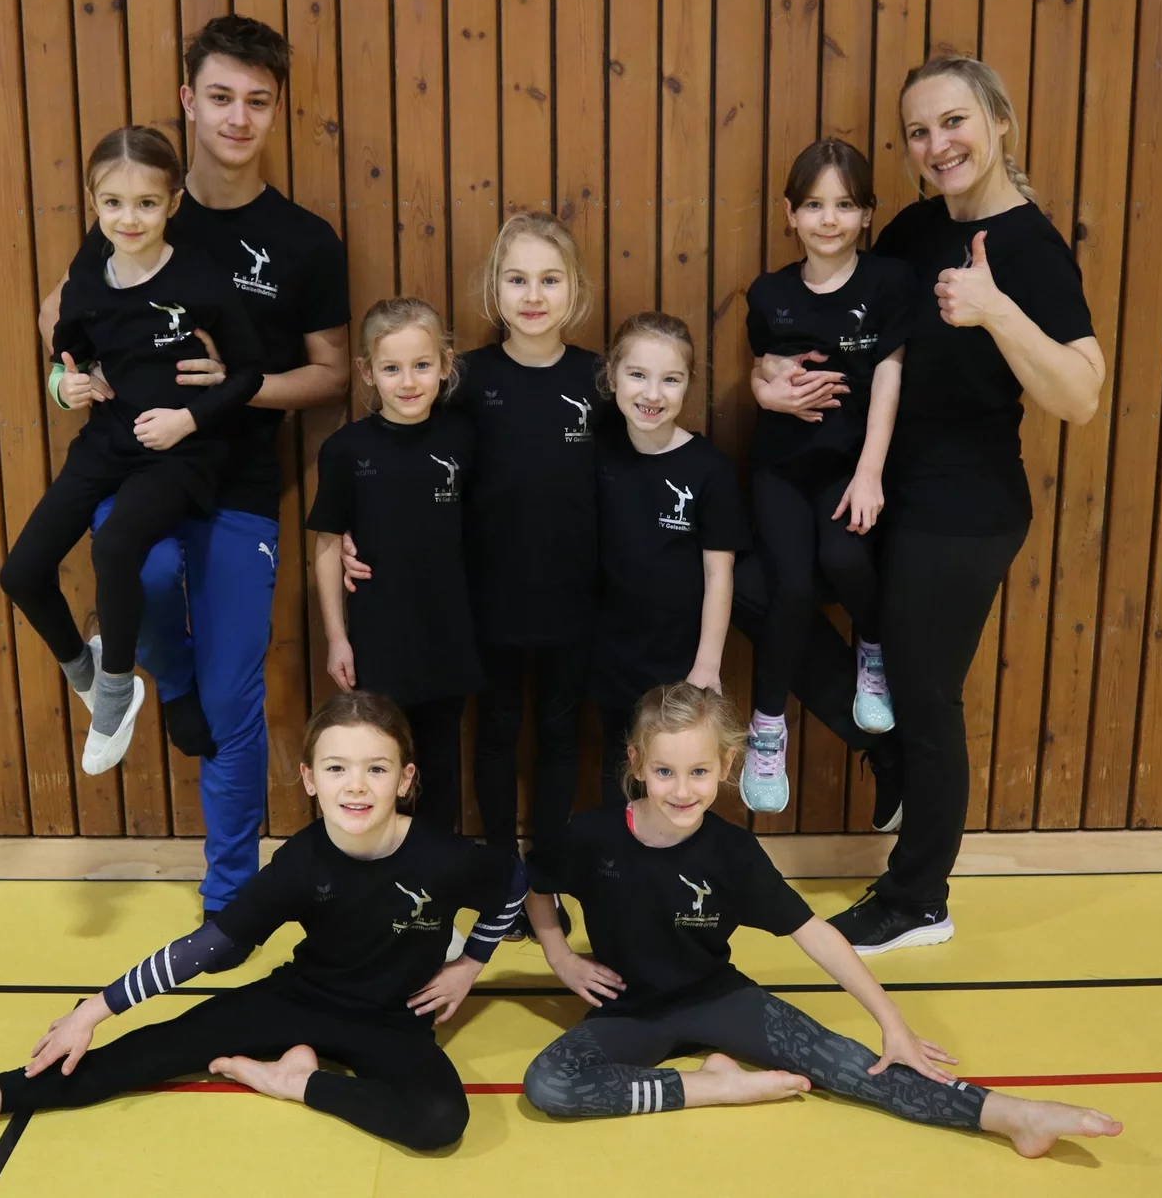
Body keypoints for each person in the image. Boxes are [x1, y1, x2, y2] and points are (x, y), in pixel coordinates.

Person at [755, 52, 1103, 955]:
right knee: (760, 590)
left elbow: (1082, 395)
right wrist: (769, 380)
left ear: (999, 122)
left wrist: (996, 310)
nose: (937, 143)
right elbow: (841, 326)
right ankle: (886, 749)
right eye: (919, 131)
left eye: (954, 122)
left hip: (961, 505)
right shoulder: (911, 231)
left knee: (924, 694)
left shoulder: (1028, 247)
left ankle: (917, 899)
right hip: (872, 482)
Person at [0, 691, 527, 1152]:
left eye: (376, 769)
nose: (356, 785)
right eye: (337, 768)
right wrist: (95, 1009)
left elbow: (512, 886)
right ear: (309, 780)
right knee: (160, 1047)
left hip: (394, 1018)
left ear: (405, 780)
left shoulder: (444, 859)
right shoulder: (299, 865)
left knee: (440, 1121)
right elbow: (210, 947)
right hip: (302, 999)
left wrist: (470, 965)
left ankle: (297, 1081)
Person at [520, 682, 1123, 1158]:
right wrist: (560, 956)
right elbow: (536, 885)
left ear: (727, 765)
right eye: (664, 772)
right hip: (630, 1009)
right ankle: (712, 1088)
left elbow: (815, 934)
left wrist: (891, 1021)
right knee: (550, 1083)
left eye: (699, 772)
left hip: (717, 998)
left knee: (846, 1061)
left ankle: (1010, 1114)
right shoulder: (593, 836)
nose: (682, 791)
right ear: (635, 764)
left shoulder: (733, 853)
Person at [39, 15, 351, 918]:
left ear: (277, 110)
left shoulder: (303, 239)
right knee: (137, 571)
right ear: (189, 101)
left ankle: (231, 903)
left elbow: (333, 374)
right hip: (136, 469)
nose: (237, 117)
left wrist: (235, 388)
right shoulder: (135, 206)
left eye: (257, 100)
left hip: (242, 485)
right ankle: (165, 684)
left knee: (234, 698)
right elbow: (56, 316)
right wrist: (77, 376)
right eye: (220, 97)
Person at [0, 127, 263, 775]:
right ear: (94, 202)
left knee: (116, 545)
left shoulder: (199, 279)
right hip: (106, 445)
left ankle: (117, 692)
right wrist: (68, 387)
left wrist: (187, 420)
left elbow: (248, 373)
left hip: (179, 454)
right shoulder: (87, 280)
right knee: (20, 573)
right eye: (113, 203)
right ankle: (89, 677)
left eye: (146, 203)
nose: (129, 218)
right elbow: (64, 360)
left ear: (173, 202)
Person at [341, 212, 599, 871]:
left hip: (578, 595)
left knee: (561, 733)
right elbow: (403, 455)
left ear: (575, 287)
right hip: (487, 599)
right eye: (517, 279)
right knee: (497, 732)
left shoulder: (598, 381)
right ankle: (503, 872)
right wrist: (348, 532)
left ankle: (546, 874)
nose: (533, 296)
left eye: (550, 279)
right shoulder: (467, 381)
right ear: (494, 287)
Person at [739, 138, 913, 816]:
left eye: (844, 205)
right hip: (781, 466)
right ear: (790, 213)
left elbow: (891, 375)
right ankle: (766, 728)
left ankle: (873, 649)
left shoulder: (888, 282)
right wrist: (765, 387)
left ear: (867, 213)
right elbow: (764, 365)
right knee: (789, 588)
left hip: (848, 464)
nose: (829, 219)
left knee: (844, 557)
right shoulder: (770, 293)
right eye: (814, 205)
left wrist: (870, 473)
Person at [308, 299, 482, 834]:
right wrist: (337, 639)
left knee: (440, 766)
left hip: (450, 636)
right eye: (391, 368)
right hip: (379, 640)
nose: (408, 382)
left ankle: (439, 876)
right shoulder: (345, 450)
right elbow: (327, 545)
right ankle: (383, 869)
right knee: (379, 762)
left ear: (445, 365)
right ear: (367, 372)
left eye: (422, 365)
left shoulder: (464, 438)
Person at [591, 314, 747, 805]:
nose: (652, 394)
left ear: (688, 384)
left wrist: (707, 665)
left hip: (678, 662)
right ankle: (617, 853)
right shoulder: (596, 452)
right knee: (618, 769)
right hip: (607, 653)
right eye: (637, 375)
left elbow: (719, 574)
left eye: (671, 379)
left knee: (672, 778)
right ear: (612, 376)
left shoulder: (709, 469)